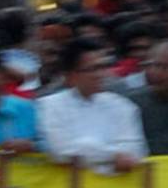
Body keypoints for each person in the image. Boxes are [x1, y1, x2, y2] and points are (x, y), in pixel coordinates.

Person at [37, 38, 147, 173]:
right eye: (93, 69)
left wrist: (89, 150)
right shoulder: (49, 105)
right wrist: (112, 156)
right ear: (71, 76)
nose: (101, 74)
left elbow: (135, 151)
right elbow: (61, 151)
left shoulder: (123, 106)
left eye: (103, 67)